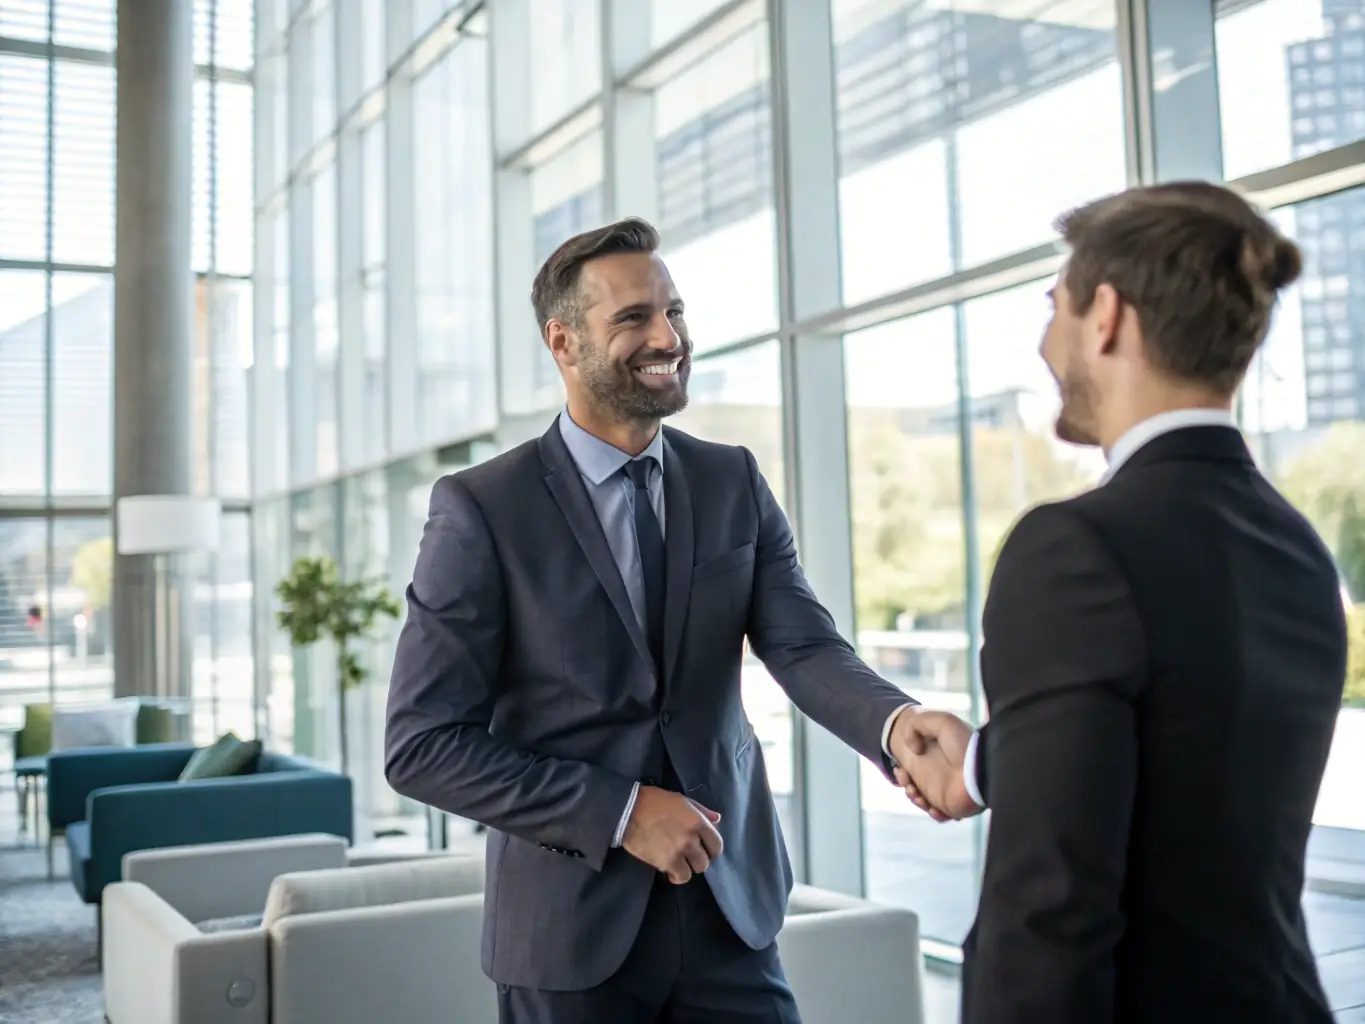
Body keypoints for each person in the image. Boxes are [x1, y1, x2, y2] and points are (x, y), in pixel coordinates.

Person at [385, 217, 932, 1023]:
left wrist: (897, 725)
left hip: (729, 911)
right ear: (562, 342)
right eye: (633, 317)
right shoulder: (482, 510)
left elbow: (804, 645)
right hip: (570, 935)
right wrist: (620, 810)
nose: (666, 336)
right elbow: (421, 746)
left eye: (673, 312)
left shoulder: (730, 479)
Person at [897, 181, 1348, 1023]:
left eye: (1051, 307)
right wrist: (990, 763)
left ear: (1104, 316)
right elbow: (1189, 759)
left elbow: (1049, 910)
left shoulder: (1074, 548)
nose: (1042, 343)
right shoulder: (1294, 547)